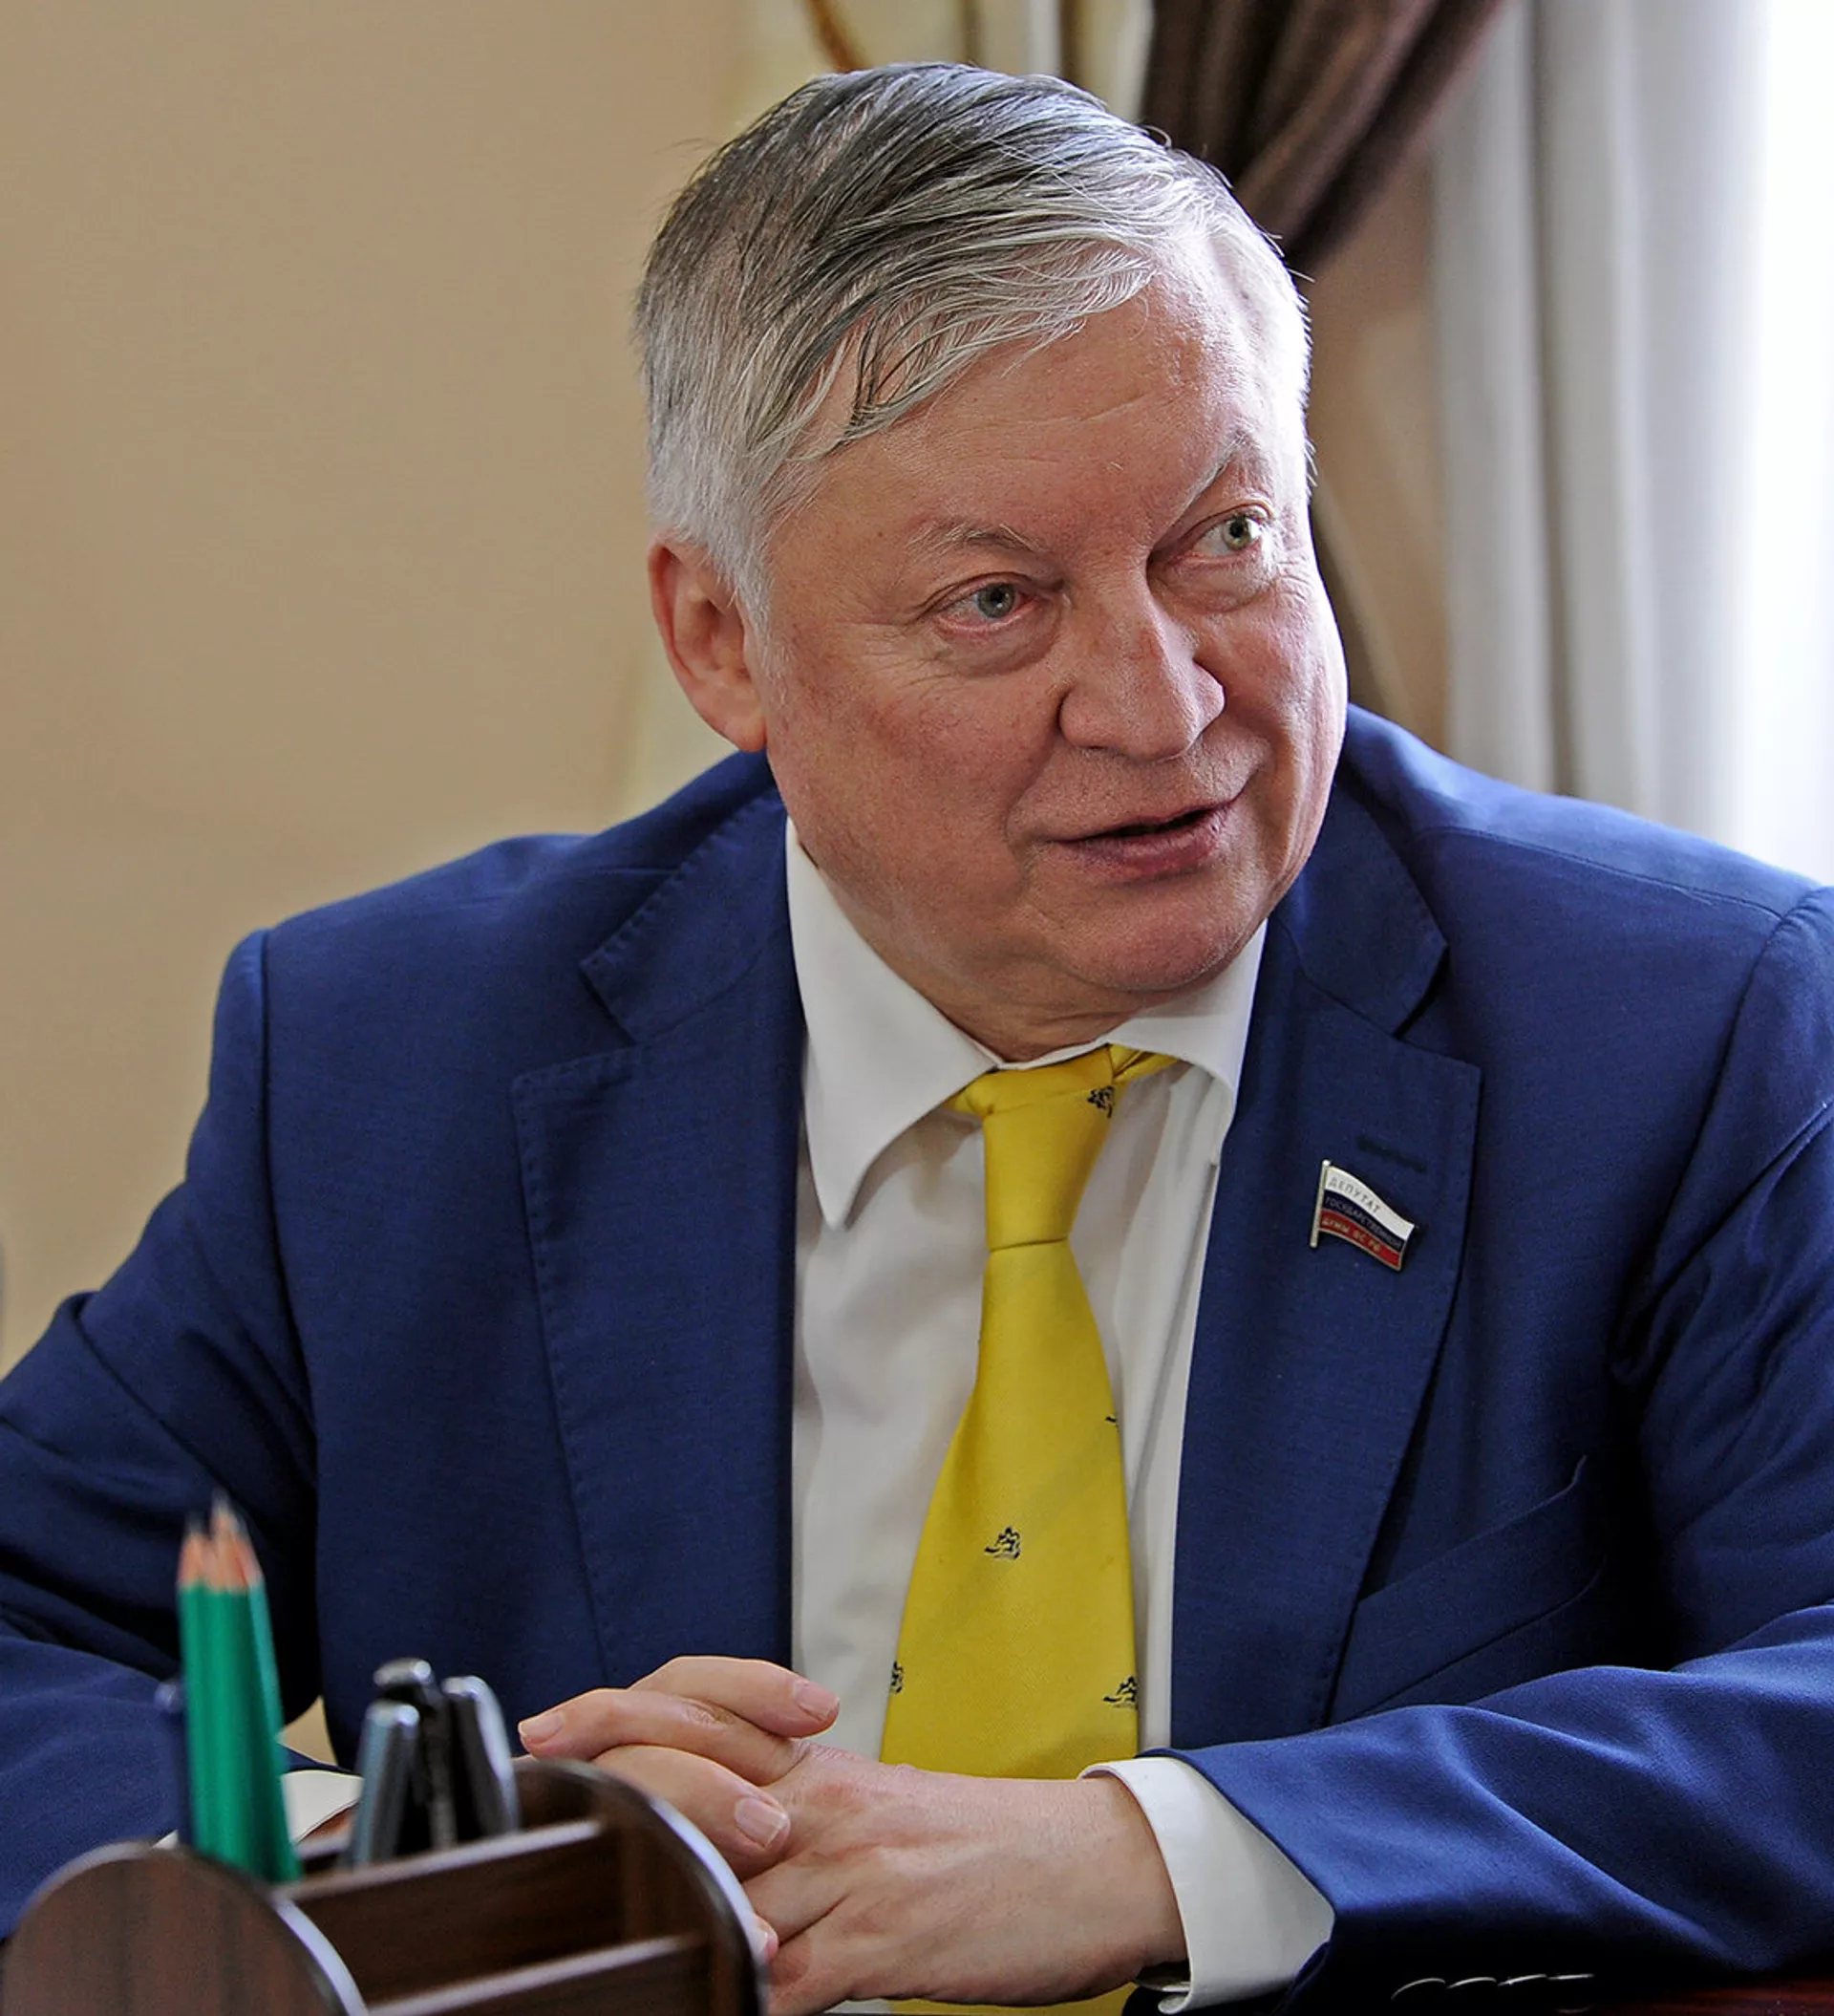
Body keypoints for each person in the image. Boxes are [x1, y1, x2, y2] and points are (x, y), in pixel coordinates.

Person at [3, 59, 1834, 2013]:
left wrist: (1162, 1850)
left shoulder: (1681, 1025)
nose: (1161, 704)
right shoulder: (399, 1060)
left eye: (1225, 537)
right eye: (994, 601)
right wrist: (422, 1849)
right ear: (723, 643)